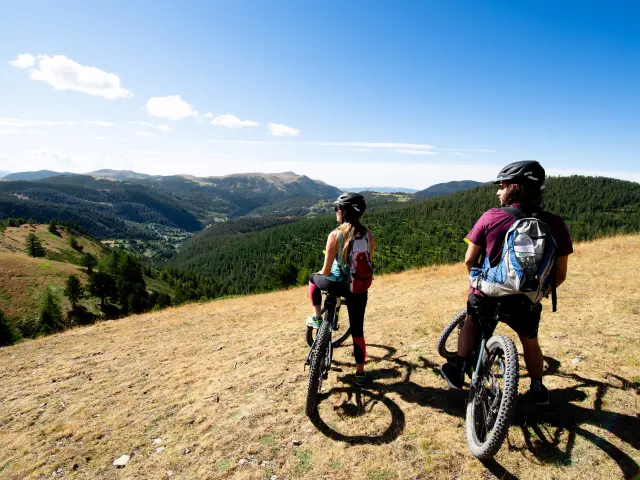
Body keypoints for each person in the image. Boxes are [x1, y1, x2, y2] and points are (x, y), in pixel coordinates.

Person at [440, 160, 573, 406]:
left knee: (470, 321)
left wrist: (477, 282)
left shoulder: (492, 216)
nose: (498, 191)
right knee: (530, 340)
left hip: (489, 293)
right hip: (527, 298)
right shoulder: (555, 224)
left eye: (501, 185)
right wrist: (536, 292)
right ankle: (538, 388)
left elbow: (469, 259)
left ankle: (458, 370)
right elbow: (560, 275)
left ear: (514, 188)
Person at [307, 192, 375, 387]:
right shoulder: (369, 235)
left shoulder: (335, 235)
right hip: (357, 288)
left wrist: (322, 272)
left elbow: (326, 270)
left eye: (337, 208)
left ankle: (318, 317)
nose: (336, 211)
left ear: (344, 212)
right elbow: (368, 263)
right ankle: (360, 373)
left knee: (312, 279)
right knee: (357, 331)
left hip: (335, 284)